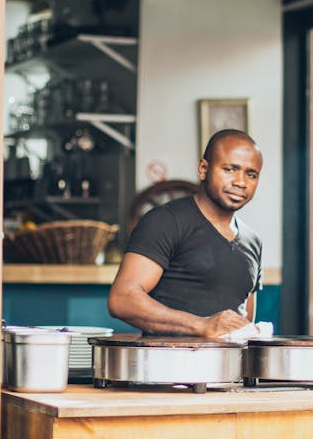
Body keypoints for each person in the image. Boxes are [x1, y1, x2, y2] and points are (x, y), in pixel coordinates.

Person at [108, 129, 264, 338]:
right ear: (203, 169)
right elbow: (121, 299)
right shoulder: (165, 221)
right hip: (169, 359)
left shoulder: (253, 241)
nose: (240, 182)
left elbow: (243, 322)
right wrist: (201, 325)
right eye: (229, 169)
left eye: (251, 174)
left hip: (231, 360)